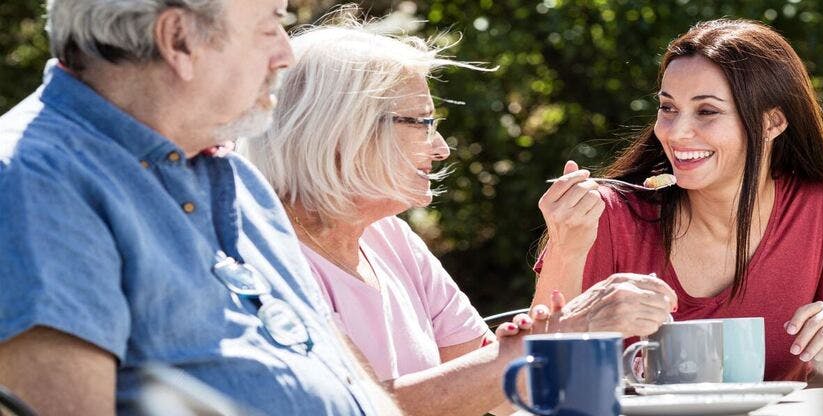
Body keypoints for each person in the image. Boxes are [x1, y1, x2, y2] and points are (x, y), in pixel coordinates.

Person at [238, 13, 678, 416]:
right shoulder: (268, 253)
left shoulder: (391, 239)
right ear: (340, 130)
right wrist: (578, 323)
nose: (442, 148)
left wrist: (568, 244)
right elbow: (362, 406)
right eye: (423, 122)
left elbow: (508, 395)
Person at [0, 1, 404, 414]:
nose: (286, 55)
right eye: (271, 26)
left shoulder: (234, 175)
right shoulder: (35, 181)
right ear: (178, 40)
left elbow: (329, 361)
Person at [534, 18, 823, 381]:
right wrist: (566, 248)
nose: (676, 133)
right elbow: (537, 375)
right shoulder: (605, 217)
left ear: (771, 123)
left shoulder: (820, 211)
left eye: (707, 111)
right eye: (668, 108)